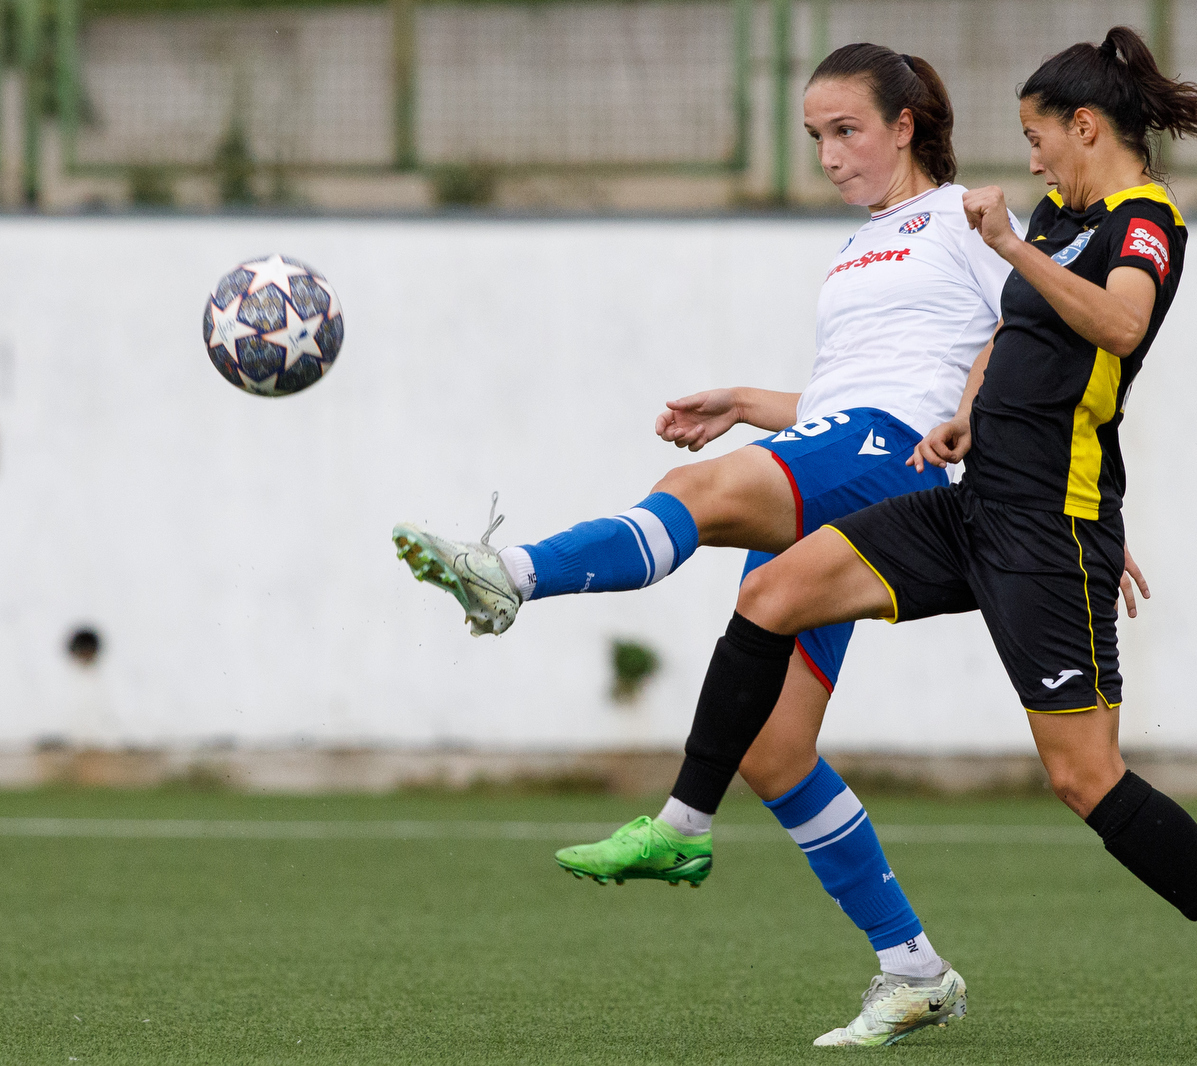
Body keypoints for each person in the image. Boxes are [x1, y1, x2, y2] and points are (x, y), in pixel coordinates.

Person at [594, 27, 1197, 1062]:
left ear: (1084, 126)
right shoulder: (1062, 224)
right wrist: (965, 415)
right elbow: (1007, 337)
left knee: (1085, 778)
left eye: (1037, 138)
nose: (1027, 161)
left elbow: (1118, 329)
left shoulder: (1144, 222)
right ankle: (683, 822)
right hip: (970, 501)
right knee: (774, 591)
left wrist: (1010, 250)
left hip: (1047, 530)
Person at [393, 43, 1075, 1046]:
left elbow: (1042, 330)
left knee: (691, 494)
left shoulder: (967, 216)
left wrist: (1048, 469)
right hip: (838, 440)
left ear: (905, 124)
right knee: (772, 747)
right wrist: (748, 402)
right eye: (815, 138)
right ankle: (913, 967)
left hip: (894, 462)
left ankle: (513, 576)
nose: (831, 155)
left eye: (846, 130)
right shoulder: (858, 248)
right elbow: (866, 380)